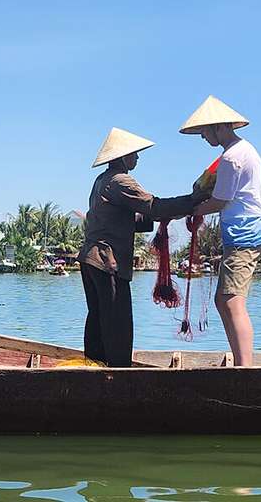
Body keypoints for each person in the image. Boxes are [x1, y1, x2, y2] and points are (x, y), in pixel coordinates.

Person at [78, 127, 206, 367]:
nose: (137, 158)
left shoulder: (102, 181)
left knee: (98, 320)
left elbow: (126, 219)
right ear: (123, 156)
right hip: (106, 262)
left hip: (90, 260)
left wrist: (163, 216)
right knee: (117, 324)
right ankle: (118, 376)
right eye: (134, 153)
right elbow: (153, 206)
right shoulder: (120, 181)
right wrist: (192, 201)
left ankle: (94, 369)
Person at [180, 95, 261, 366]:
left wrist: (192, 210)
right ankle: (241, 362)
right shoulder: (244, 150)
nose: (202, 137)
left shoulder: (232, 158)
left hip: (245, 232)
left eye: (204, 131)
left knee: (232, 301)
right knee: (224, 300)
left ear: (219, 127)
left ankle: (245, 368)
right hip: (243, 231)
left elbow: (220, 201)